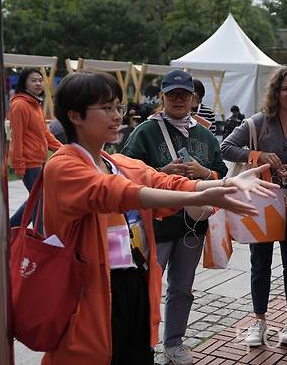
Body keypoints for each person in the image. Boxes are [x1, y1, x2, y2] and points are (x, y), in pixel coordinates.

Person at [41, 72, 276, 365]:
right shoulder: (64, 166)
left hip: (130, 282)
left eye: (118, 107)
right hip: (89, 294)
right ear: (75, 115)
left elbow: (163, 181)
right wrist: (203, 196)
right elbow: (122, 193)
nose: (117, 117)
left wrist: (224, 184)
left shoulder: (115, 162)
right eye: (106, 108)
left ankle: (172, 343)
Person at [120, 69, 228, 365]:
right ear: (163, 97)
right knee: (148, 288)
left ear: (194, 99)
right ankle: (145, 344)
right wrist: (162, 174)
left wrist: (204, 173)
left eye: (184, 94)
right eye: (173, 94)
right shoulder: (145, 131)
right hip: (155, 224)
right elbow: (126, 173)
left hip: (192, 225)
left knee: (182, 287)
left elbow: (222, 173)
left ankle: (174, 342)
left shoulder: (204, 133)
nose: (179, 99)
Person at [221, 67, 287, 347]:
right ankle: (259, 320)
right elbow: (226, 147)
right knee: (259, 262)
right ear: (276, 92)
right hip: (261, 201)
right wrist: (257, 154)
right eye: (285, 88)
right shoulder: (258, 122)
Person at [8, 68, 63, 228]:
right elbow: (17, 137)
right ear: (24, 82)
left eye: (40, 80)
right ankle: (38, 238)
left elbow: (45, 133)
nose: (38, 83)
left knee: (36, 200)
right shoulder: (19, 105)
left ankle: (10, 229)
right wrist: (18, 164)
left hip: (39, 160)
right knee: (40, 202)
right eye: (34, 80)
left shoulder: (35, 104)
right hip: (29, 163)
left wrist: (65, 150)